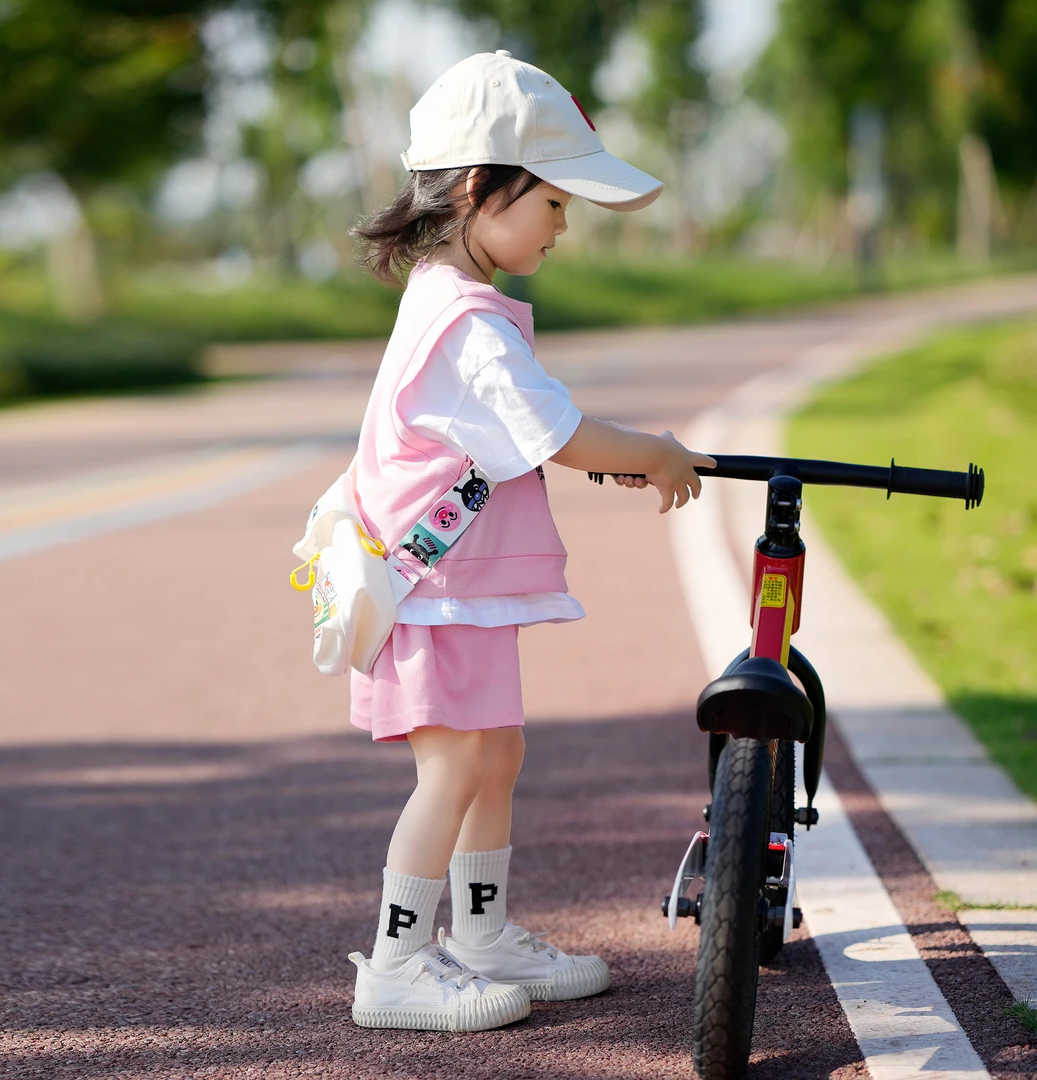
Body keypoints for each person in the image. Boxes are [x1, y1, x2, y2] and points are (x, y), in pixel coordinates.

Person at [344, 50, 715, 1032]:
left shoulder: (457, 299)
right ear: (477, 189)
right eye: (553, 201)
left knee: (493, 756)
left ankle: (481, 932)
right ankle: (395, 965)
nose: (563, 225)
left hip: (452, 589)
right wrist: (656, 454)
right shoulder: (463, 321)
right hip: (431, 590)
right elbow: (555, 428)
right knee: (455, 769)